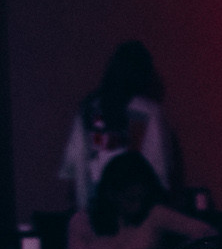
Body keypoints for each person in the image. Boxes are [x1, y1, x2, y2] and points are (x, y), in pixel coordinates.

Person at [59, 40, 173, 212]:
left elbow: (73, 168)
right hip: (134, 210)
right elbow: (158, 166)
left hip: (93, 208)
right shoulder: (148, 112)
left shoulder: (88, 109)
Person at [66, 151, 216, 249]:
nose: (137, 206)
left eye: (142, 199)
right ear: (111, 194)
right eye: (130, 199)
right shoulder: (82, 221)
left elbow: (207, 233)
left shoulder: (154, 214)